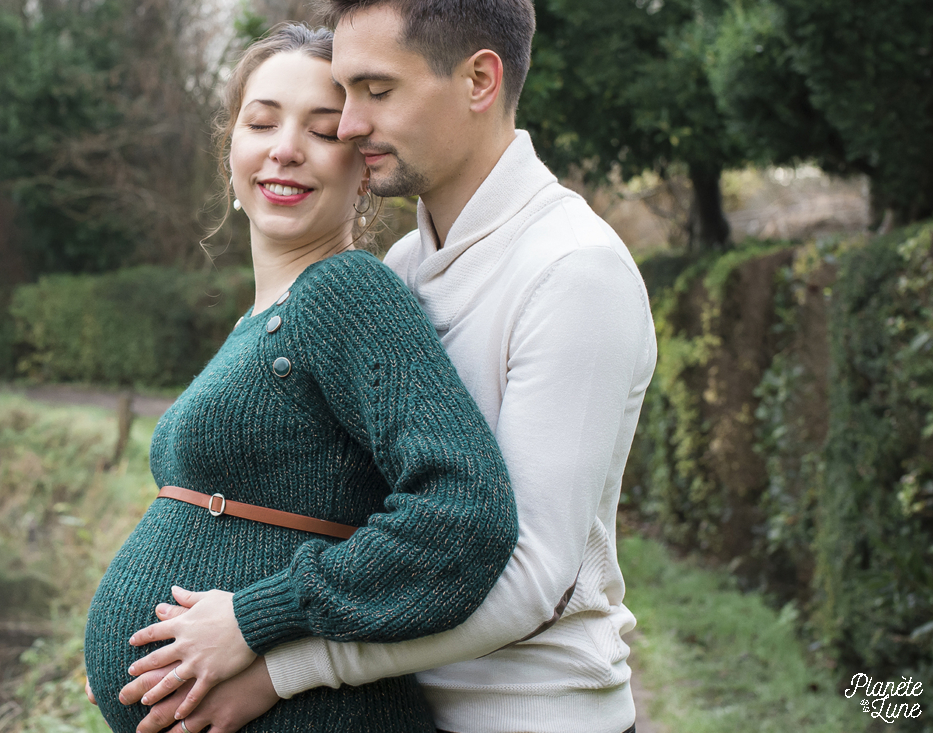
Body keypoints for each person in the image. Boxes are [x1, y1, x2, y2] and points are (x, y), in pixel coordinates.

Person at [118, 1, 657, 732]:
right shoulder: (407, 262)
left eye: (376, 91)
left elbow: (529, 575)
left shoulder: (572, 269)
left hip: (524, 715)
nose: (348, 125)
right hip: (404, 705)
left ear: (478, 80)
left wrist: (281, 666)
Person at [81, 23, 520, 733]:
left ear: (363, 166)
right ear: (231, 144)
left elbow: (464, 510)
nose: (285, 147)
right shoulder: (265, 314)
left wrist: (258, 618)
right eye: (261, 121)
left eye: (322, 131)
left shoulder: (344, 291)